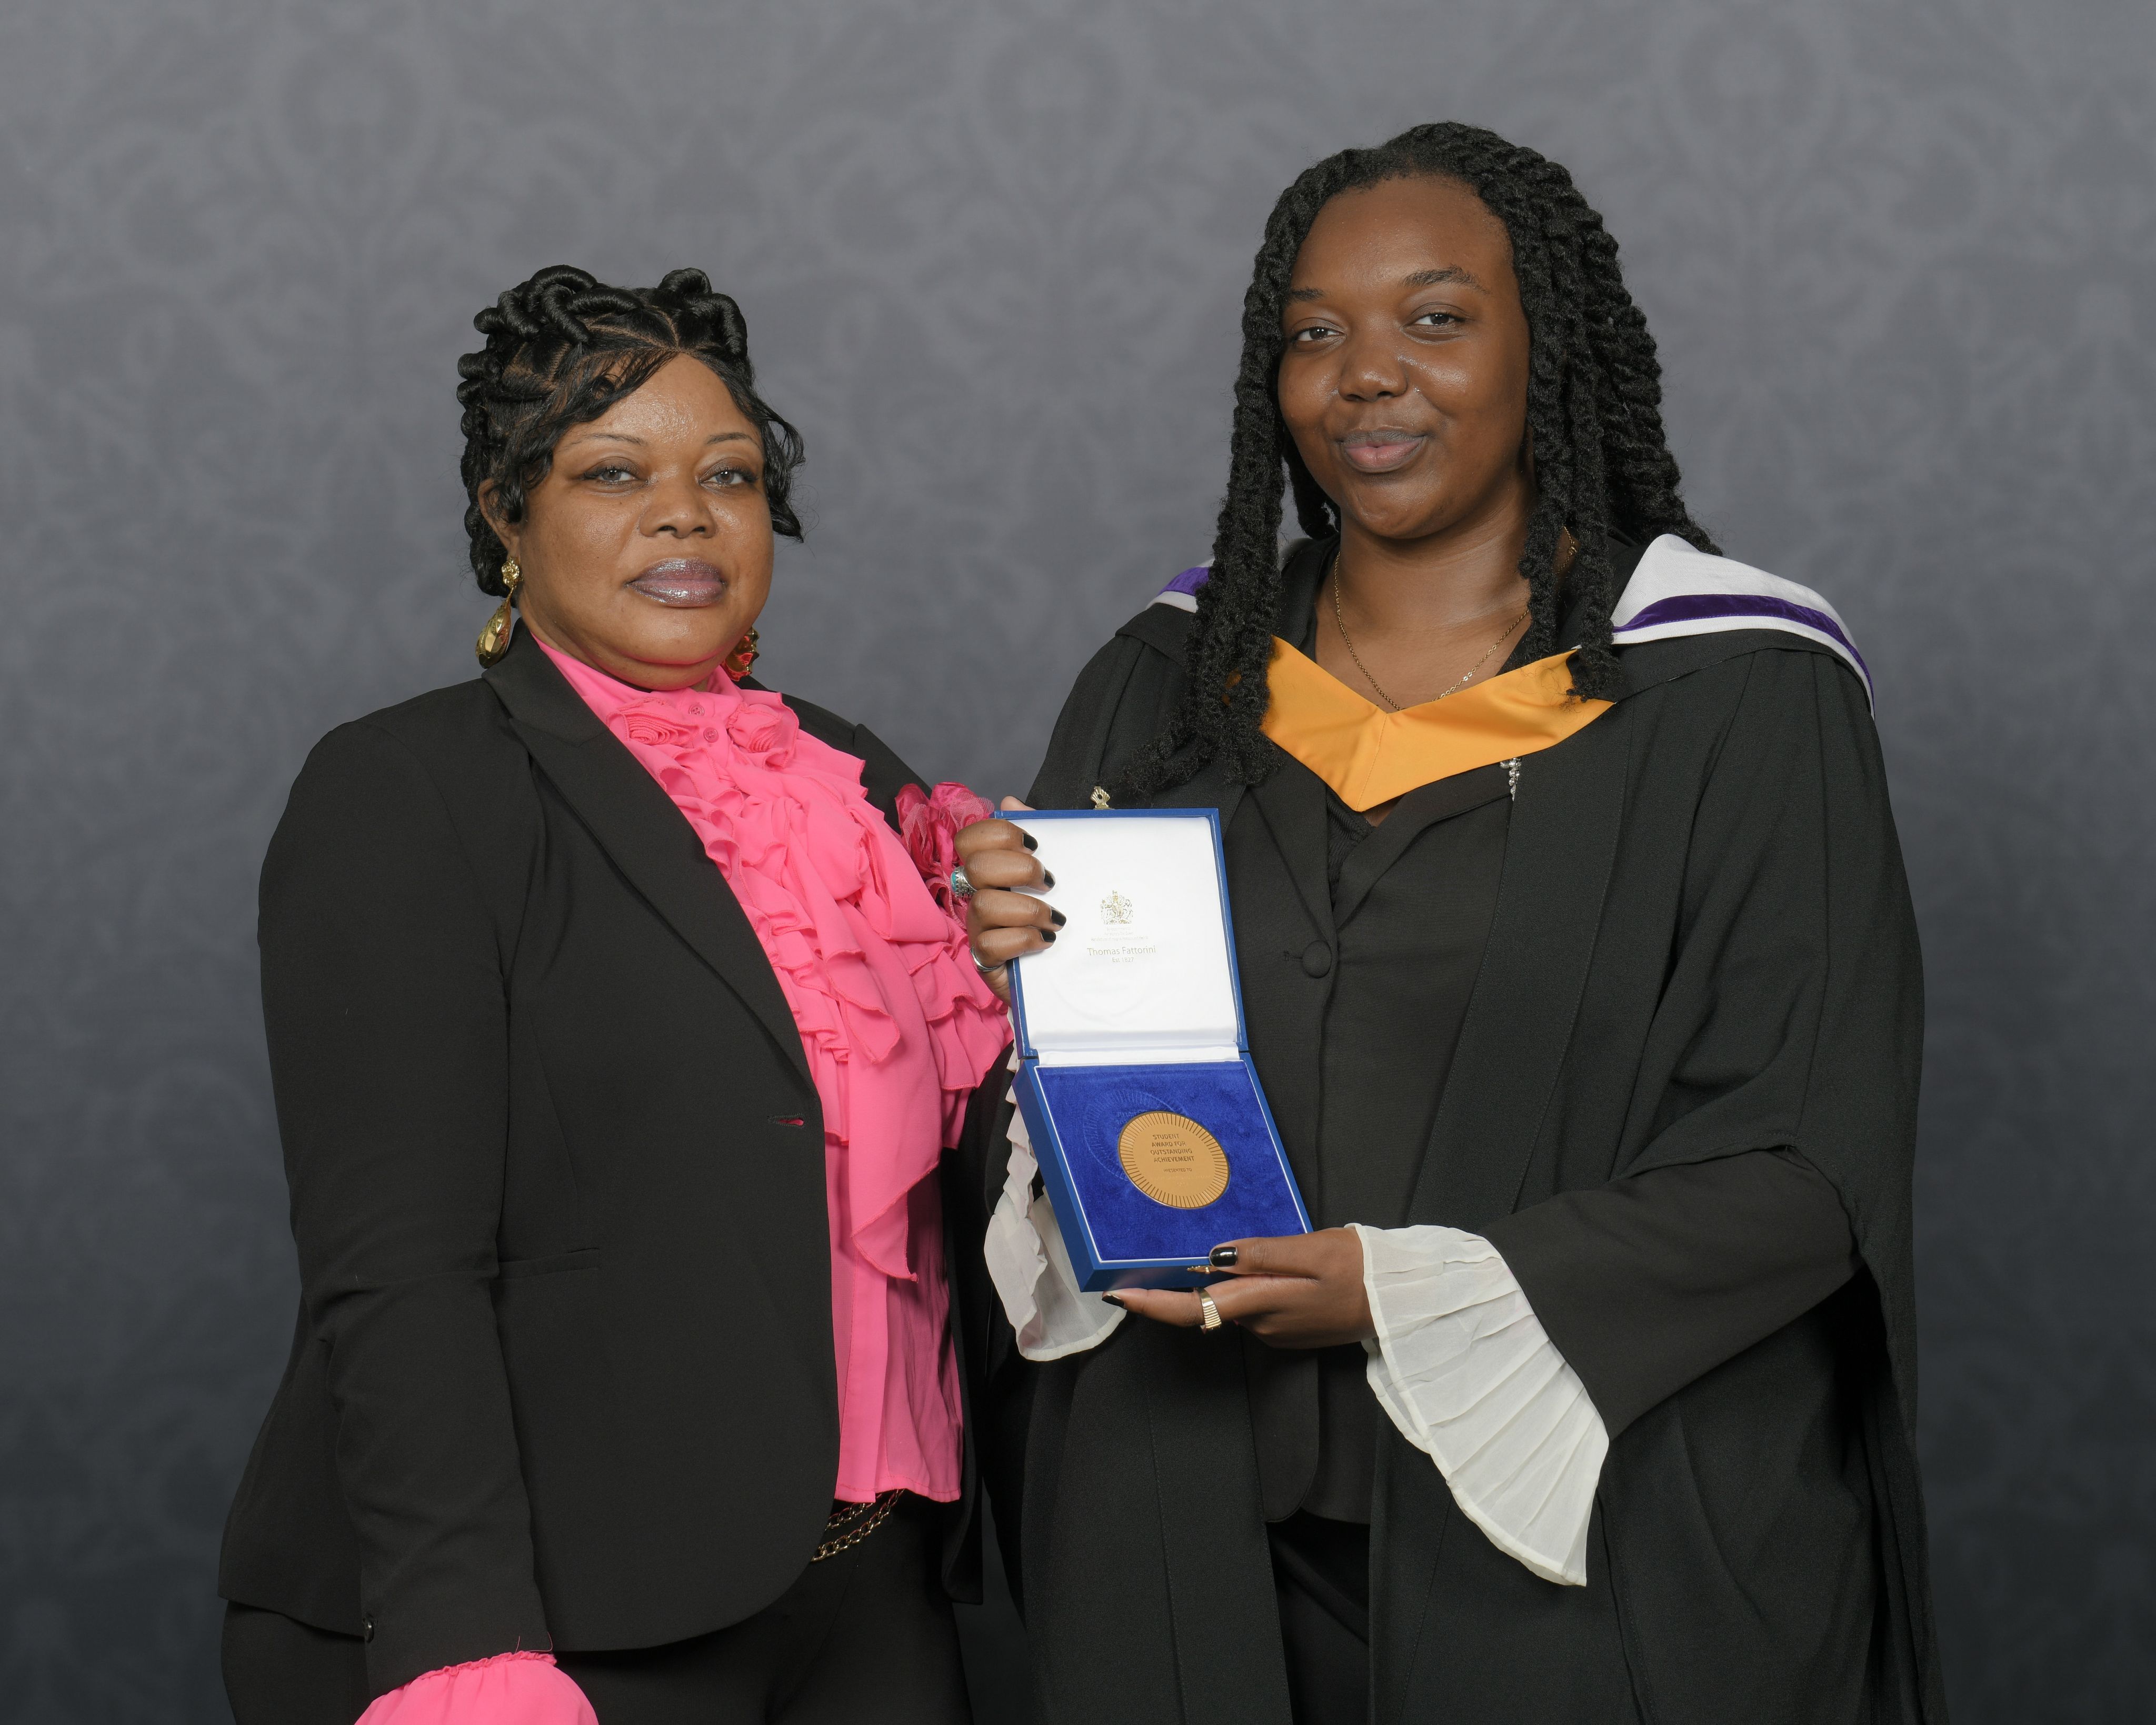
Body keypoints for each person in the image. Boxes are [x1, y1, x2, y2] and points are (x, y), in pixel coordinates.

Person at [957, 124, 1944, 1725]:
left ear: (1546, 347)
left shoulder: (1739, 692)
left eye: (1436, 318)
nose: (1366, 375)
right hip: (1189, 1521)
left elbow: (1807, 1164)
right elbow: (1050, 1093)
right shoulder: (1174, 680)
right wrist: (992, 967)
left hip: (1601, 1545)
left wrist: (1405, 1293)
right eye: (1315, 332)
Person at [217, 266, 1010, 1725]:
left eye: (731, 475)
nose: (686, 516)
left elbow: (946, 1176)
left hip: (875, 1593)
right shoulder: (405, 792)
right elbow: (395, 1267)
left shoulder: (857, 779)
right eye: (612, 473)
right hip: (564, 1618)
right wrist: (467, 1646)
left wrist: (1036, 972)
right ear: (505, 514)